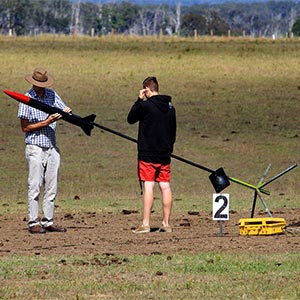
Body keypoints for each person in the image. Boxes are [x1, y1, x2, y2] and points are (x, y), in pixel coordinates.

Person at [18, 67, 72, 234]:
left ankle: (48, 221)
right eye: (38, 84)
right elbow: (25, 128)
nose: (40, 87)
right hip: (35, 147)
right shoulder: (26, 99)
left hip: (51, 146)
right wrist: (46, 122)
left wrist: (67, 112)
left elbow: (64, 109)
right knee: (34, 185)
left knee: (51, 186)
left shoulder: (51, 95)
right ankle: (33, 222)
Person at [127, 76, 176, 234]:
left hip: (148, 153)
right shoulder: (170, 107)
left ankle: (146, 223)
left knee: (149, 185)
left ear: (146, 89)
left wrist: (139, 100)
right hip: (165, 153)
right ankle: (166, 223)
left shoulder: (146, 106)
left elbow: (131, 118)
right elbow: (173, 131)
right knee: (165, 186)